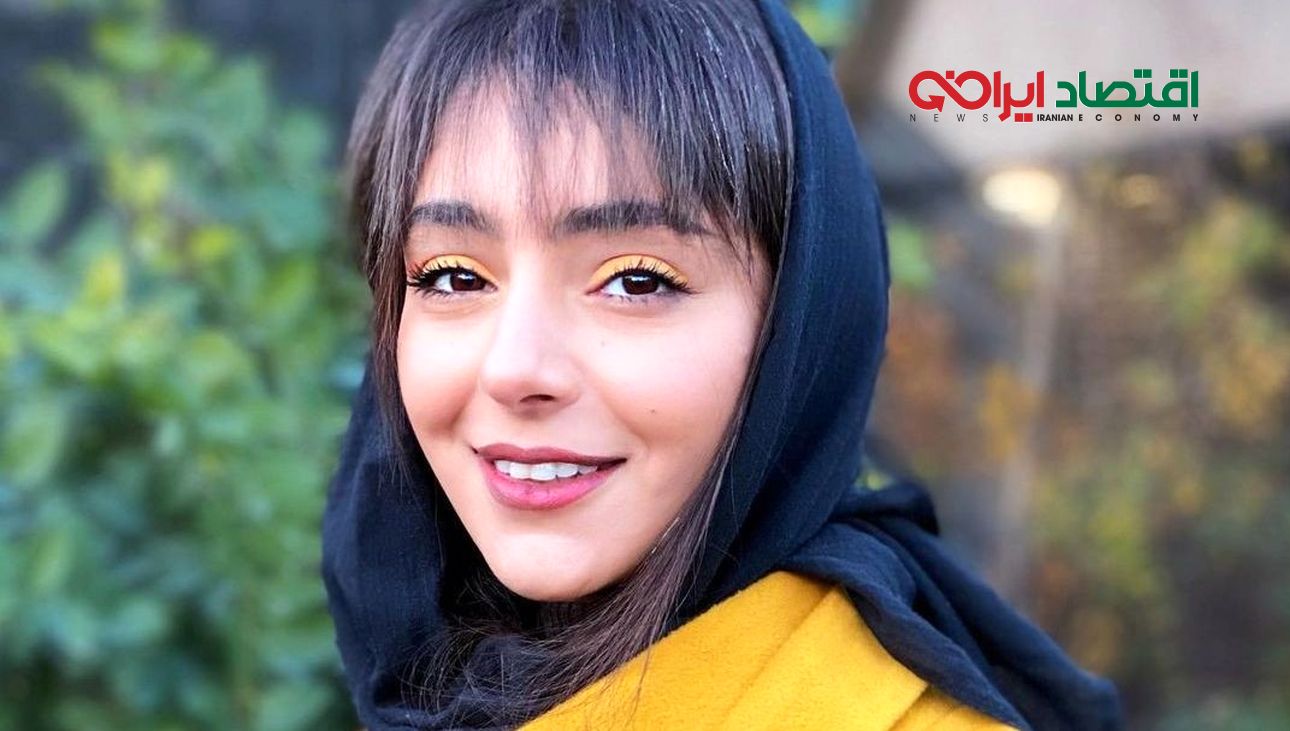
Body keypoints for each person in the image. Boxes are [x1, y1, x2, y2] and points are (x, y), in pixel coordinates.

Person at [321, 1, 1124, 728]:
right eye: (453, 276)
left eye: (636, 281)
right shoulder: (433, 675)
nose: (514, 367)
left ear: (798, 328)